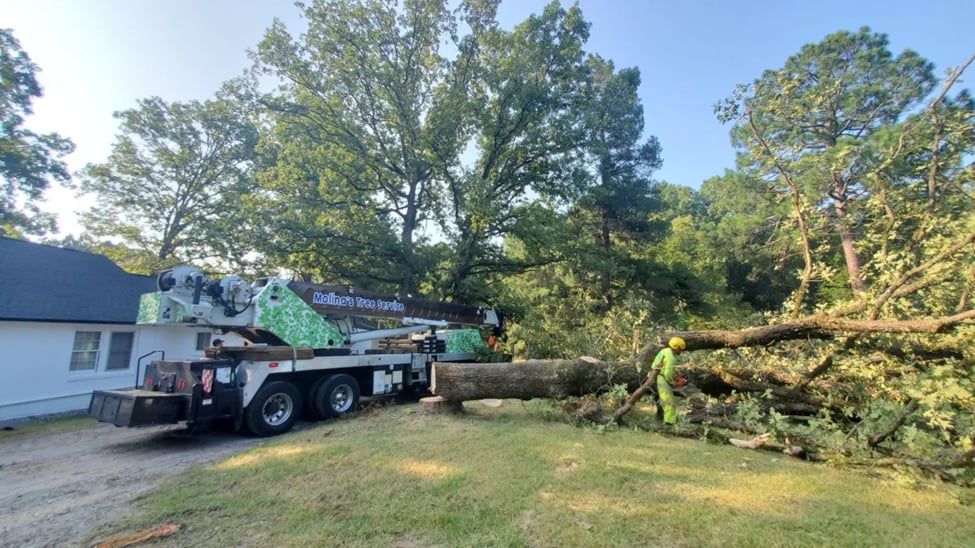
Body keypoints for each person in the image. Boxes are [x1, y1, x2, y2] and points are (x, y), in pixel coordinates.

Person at [653, 336, 686, 425]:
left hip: (654, 376)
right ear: (677, 347)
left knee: (660, 400)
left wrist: (676, 373)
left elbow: (667, 367)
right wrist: (673, 383)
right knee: (669, 401)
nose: (681, 351)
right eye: (681, 349)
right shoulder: (671, 357)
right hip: (661, 377)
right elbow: (667, 373)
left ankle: (660, 419)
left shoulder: (665, 351)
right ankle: (669, 422)